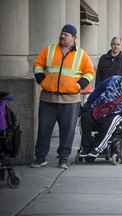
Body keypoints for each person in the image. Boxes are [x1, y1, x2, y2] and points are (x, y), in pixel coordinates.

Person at [31, 24, 94, 169]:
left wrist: (78, 85)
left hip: (70, 100)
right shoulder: (50, 49)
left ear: (73, 38)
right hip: (48, 98)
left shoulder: (81, 54)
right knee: (44, 129)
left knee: (68, 130)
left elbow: (89, 72)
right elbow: (38, 64)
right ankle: (40, 157)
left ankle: (63, 158)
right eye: (61, 33)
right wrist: (42, 80)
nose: (62, 36)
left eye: (66, 34)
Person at [79, 72, 122, 157]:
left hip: (117, 113)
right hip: (100, 109)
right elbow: (100, 88)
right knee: (86, 117)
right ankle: (85, 147)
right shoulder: (114, 80)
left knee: (110, 122)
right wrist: (89, 102)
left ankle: (97, 148)